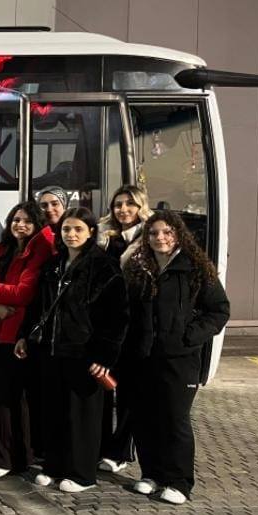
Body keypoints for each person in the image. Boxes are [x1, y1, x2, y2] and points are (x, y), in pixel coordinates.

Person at [16, 207, 128, 493]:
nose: (71, 234)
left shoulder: (104, 267)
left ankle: (82, 474)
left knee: (82, 417)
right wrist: (25, 336)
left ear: (91, 232)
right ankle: (54, 466)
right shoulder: (53, 264)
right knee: (53, 412)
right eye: (66, 229)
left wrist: (104, 355)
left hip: (85, 353)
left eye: (78, 229)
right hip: (52, 351)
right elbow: (38, 307)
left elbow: (116, 317)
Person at [123, 211, 229, 504]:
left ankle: (179, 482)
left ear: (179, 235)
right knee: (145, 418)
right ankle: (151, 474)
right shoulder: (139, 269)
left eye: (167, 232)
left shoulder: (195, 269)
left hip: (179, 359)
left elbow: (219, 310)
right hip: (143, 358)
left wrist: (188, 336)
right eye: (154, 233)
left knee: (174, 419)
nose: (160, 238)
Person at [0, 202, 52, 479]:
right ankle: (15, 457)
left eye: (26, 221)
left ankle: (3, 458)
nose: (20, 225)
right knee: (10, 397)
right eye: (16, 220)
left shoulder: (39, 251)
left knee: (2, 396)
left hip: (20, 332)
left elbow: (23, 293)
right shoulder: (8, 252)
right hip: (2, 328)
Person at [96, 185, 153, 474]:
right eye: (118, 204)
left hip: (134, 324)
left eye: (130, 204)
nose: (123, 210)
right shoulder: (105, 237)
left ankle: (120, 451)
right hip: (107, 322)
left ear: (141, 207)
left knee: (130, 392)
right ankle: (102, 444)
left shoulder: (149, 239)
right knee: (104, 386)